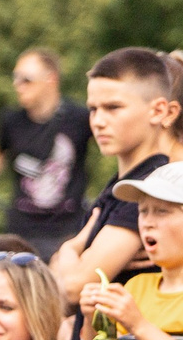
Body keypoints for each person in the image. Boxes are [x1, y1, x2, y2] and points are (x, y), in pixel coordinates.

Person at [55, 47, 183, 304]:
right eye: (93, 109)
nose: (98, 121)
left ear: (162, 111)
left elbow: (74, 288)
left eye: (113, 107)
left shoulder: (147, 188)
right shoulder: (123, 183)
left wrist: (69, 250)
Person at [80, 160, 183, 340]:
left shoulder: (135, 306)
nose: (147, 222)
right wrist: (92, 321)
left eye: (162, 211)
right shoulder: (136, 287)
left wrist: (139, 326)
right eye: (143, 211)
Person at [0, 49, 92, 255]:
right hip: (21, 232)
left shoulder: (79, 118)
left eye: (26, 80)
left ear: (51, 79)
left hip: (68, 232)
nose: (17, 86)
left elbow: (114, 142)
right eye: (15, 79)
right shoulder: (11, 120)